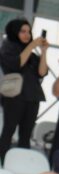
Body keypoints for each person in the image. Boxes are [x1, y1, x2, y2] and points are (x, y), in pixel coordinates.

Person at [0, 18, 47, 163]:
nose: (27, 35)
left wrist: (44, 52)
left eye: (29, 31)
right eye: (23, 31)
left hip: (32, 97)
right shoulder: (8, 47)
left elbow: (42, 72)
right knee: (9, 130)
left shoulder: (32, 53)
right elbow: (17, 64)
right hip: (14, 96)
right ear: (14, 32)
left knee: (26, 134)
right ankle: (3, 163)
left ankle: (21, 164)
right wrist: (32, 45)